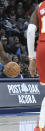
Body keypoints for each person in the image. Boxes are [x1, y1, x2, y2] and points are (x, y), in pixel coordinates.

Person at [27, 2, 45, 131]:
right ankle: (41, 126)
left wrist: (31, 58)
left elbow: (30, 31)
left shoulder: (40, 6)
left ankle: (41, 125)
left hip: (42, 49)